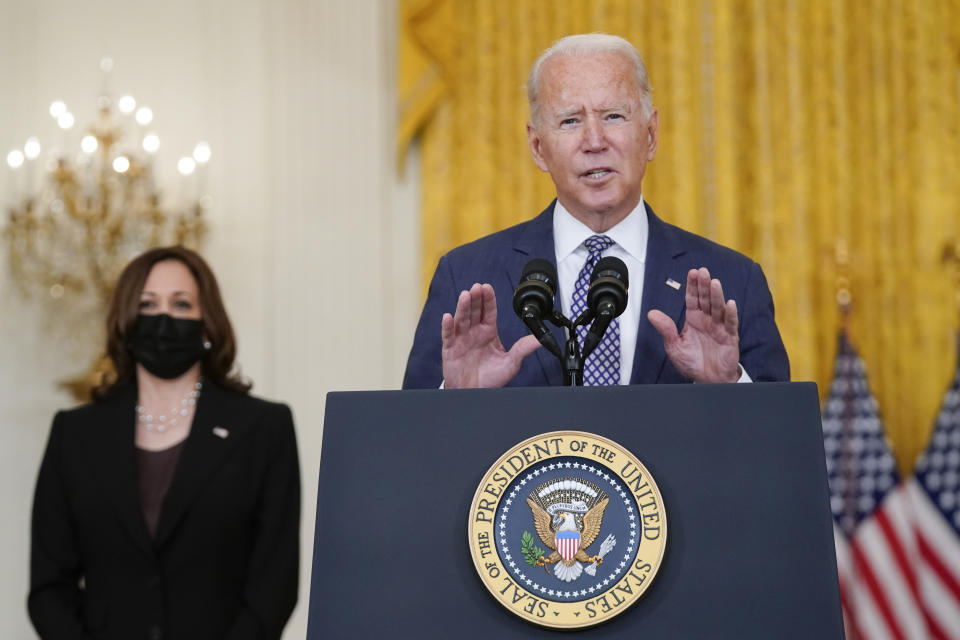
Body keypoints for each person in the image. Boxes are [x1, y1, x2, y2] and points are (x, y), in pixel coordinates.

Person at [403, 33, 789, 389]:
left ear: (651, 135)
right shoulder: (467, 278)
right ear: (538, 147)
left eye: (613, 116)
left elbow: (781, 448)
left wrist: (730, 387)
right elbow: (411, 447)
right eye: (570, 121)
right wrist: (455, 399)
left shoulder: (734, 282)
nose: (594, 140)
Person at [29, 246, 300, 640]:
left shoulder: (264, 428)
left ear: (207, 321)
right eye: (148, 304)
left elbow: (274, 584)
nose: (164, 318)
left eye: (181, 304)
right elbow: (49, 587)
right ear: (126, 319)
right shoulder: (75, 434)